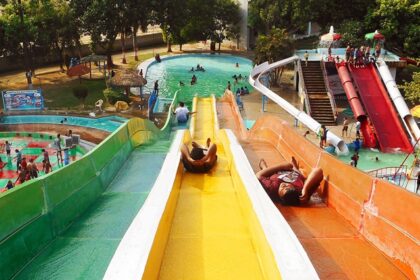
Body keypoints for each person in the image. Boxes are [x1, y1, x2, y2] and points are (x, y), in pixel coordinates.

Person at [256, 157, 324, 205]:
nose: (285, 185)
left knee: (267, 174)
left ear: (280, 196)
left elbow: (258, 176)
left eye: (283, 189)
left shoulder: (272, 188)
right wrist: (305, 189)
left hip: (277, 172)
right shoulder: (300, 191)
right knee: (299, 174)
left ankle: (265, 167)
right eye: (289, 187)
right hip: (295, 173)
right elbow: (318, 171)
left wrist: (282, 166)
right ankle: (295, 168)